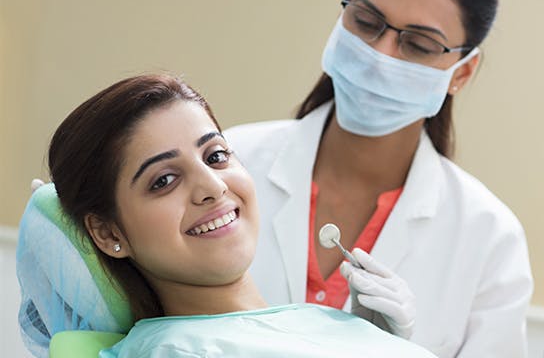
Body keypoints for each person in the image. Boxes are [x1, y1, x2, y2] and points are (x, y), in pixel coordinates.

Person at [223, 0, 533, 356]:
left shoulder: (488, 238)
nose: (378, 55)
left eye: (419, 44)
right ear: (341, 16)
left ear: (463, 72)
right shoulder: (228, 165)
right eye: (367, 21)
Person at [35, 74, 435, 357]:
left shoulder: (322, 324)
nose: (213, 186)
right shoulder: (175, 351)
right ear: (107, 233)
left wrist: (371, 339)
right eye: (164, 180)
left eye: (216, 156)